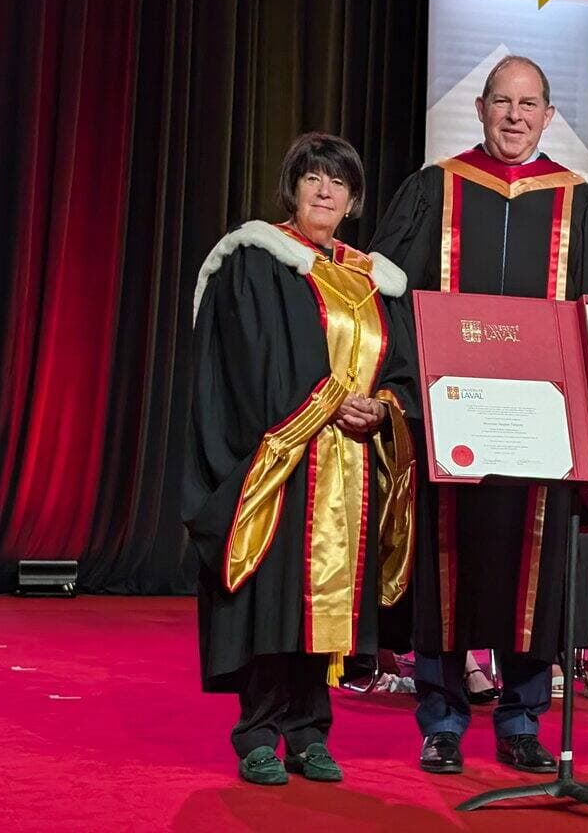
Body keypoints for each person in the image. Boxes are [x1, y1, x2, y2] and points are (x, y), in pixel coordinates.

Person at [371, 55, 588, 774]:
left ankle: (521, 721)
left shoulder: (582, 203)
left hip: (544, 427)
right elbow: (392, 296)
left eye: (529, 104)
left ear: (548, 115)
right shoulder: (435, 188)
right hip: (453, 420)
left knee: (534, 573)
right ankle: (442, 721)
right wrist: (413, 395)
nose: (514, 116)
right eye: (502, 102)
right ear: (480, 109)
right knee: (446, 567)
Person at [183, 133, 418, 784]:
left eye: (337, 183)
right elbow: (247, 360)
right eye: (312, 178)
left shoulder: (371, 277)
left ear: (353, 199)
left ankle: (310, 732)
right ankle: (258, 732)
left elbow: (401, 364)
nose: (323, 191)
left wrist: (386, 406)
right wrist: (327, 401)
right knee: (273, 596)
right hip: (280, 459)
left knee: (331, 603)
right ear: (294, 187)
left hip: (351, 468)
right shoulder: (256, 259)